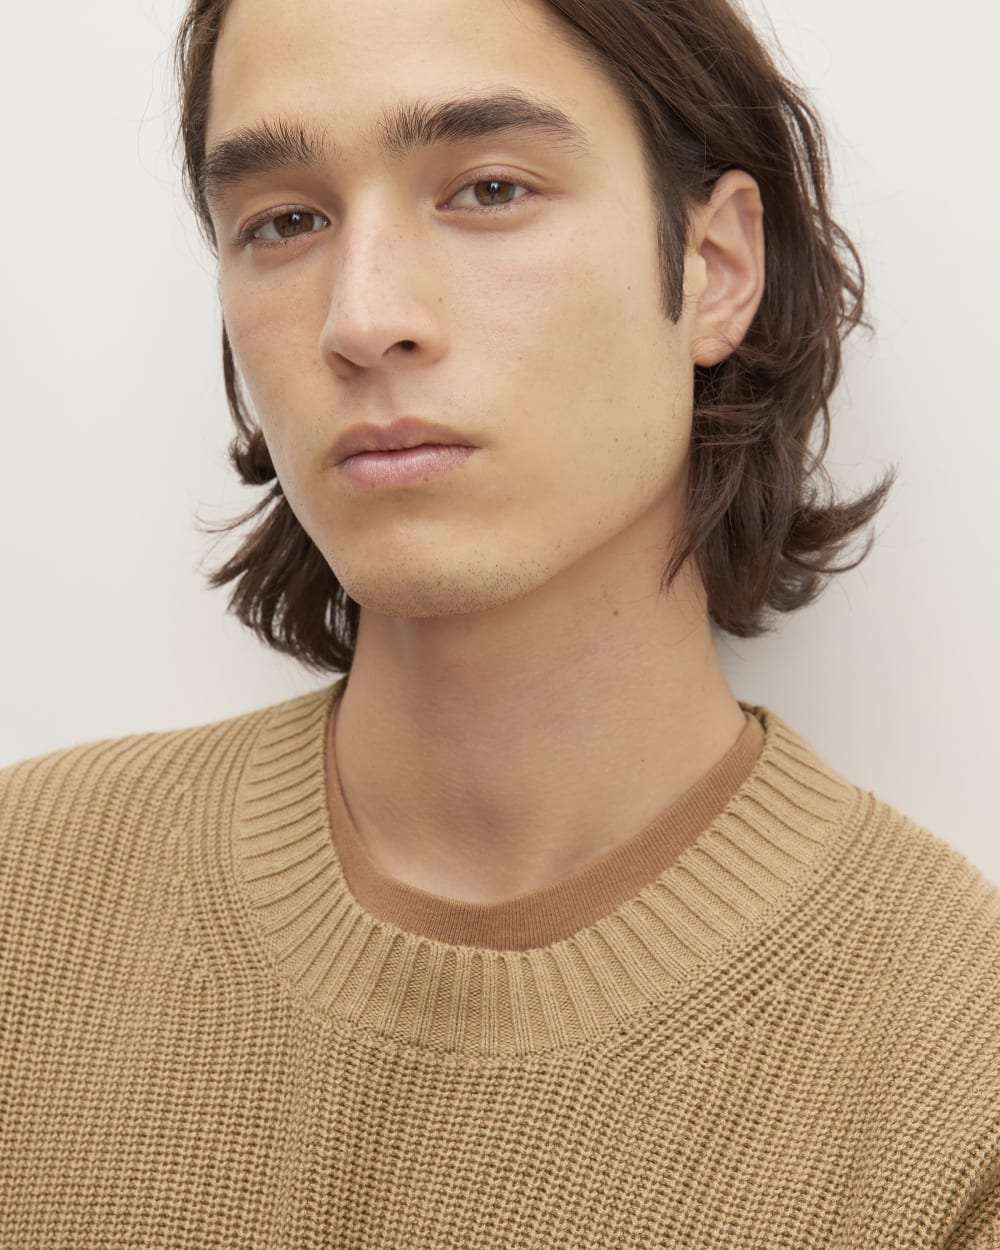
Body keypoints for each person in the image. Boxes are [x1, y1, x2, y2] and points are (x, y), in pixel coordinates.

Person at [1, 0, 997, 1244]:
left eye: (487, 190)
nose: (361, 317)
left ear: (715, 268)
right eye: (286, 220)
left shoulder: (957, 1084)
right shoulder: (24, 896)